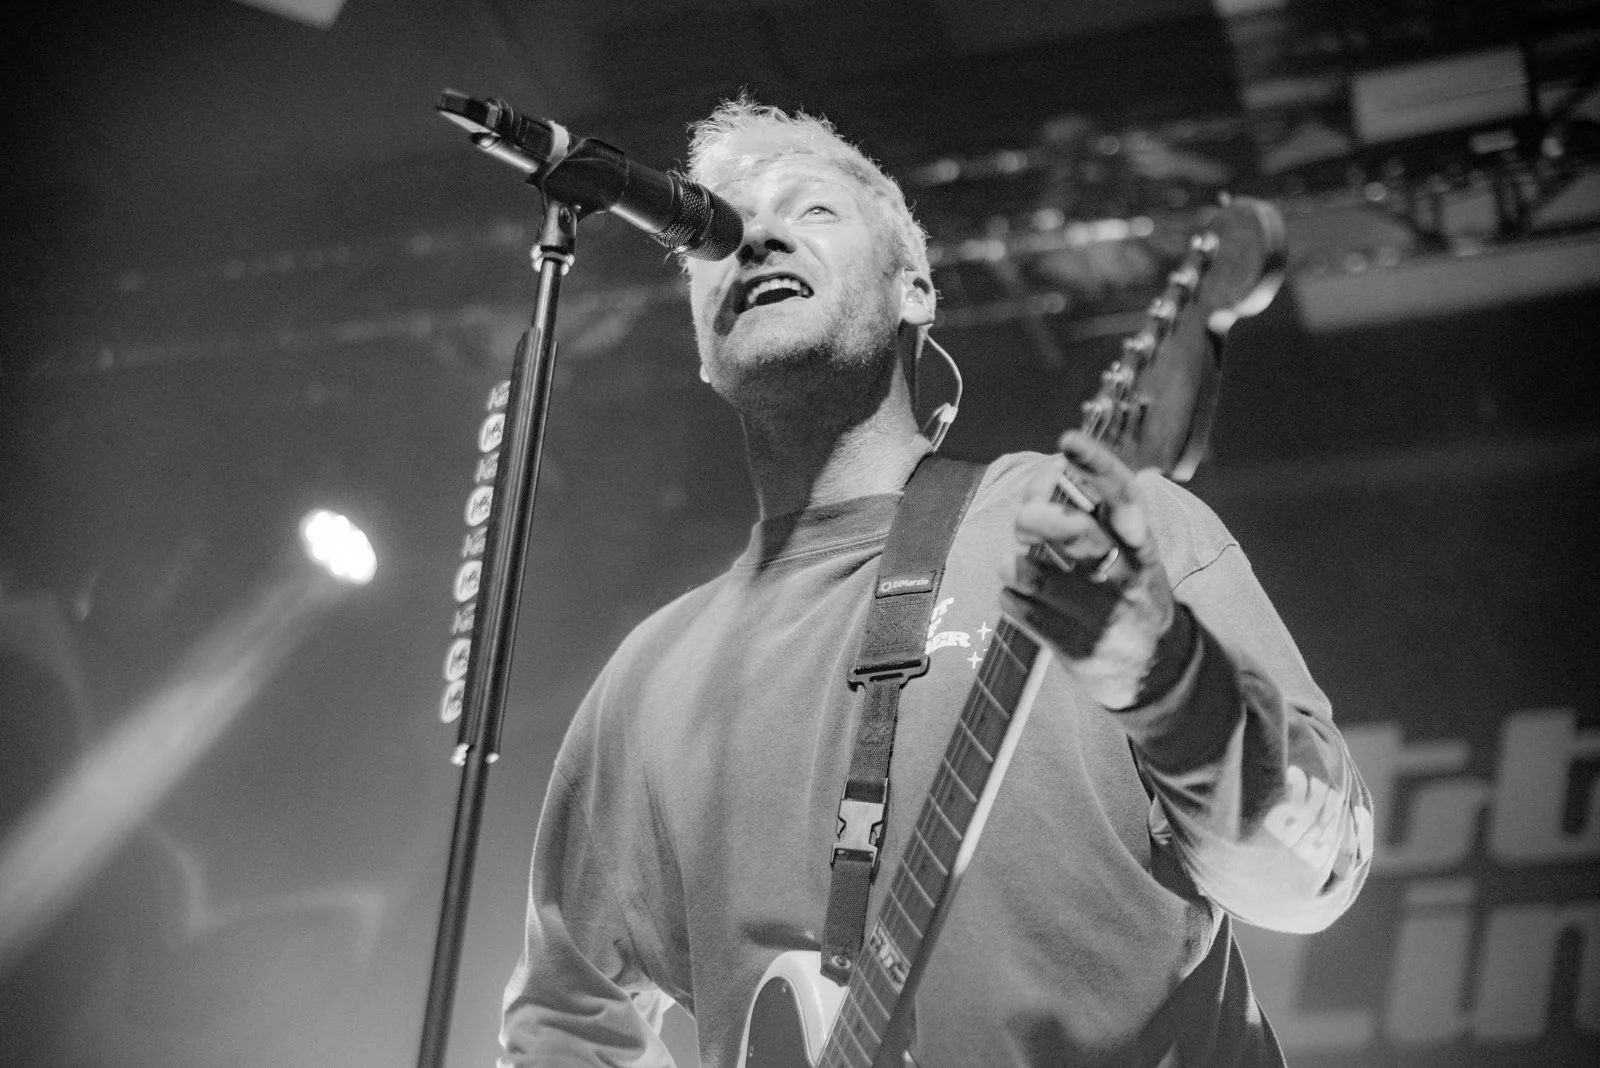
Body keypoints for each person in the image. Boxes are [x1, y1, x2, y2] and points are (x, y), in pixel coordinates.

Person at [499, 96, 1372, 1067]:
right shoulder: (647, 680)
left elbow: (1312, 878)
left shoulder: (1094, 533)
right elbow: (563, 1023)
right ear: (700, 345)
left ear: (915, 287)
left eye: (811, 211)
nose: (753, 240)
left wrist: (1165, 678)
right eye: (718, 229)